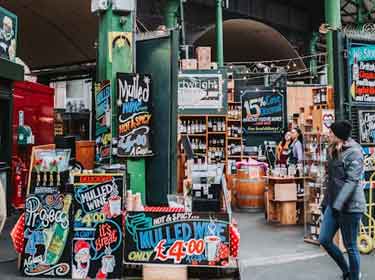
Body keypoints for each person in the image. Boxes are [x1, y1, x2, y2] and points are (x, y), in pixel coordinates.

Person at [319, 120, 365, 280]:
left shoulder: (355, 152)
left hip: (351, 206)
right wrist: (326, 202)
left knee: (350, 246)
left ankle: (354, 277)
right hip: (333, 203)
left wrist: (338, 204)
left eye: (331, 132)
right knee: (324, 239)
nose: (328, 134)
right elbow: (331, 179)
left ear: (338, 135)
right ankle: (347, 271)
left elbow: (351, 181)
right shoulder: (332, 149)